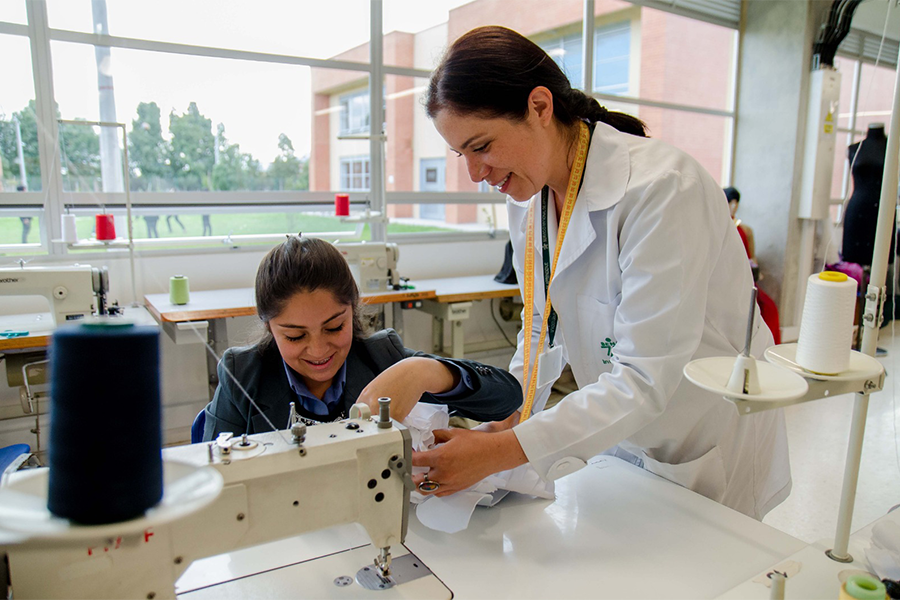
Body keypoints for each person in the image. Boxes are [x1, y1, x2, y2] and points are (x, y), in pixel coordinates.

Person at [416, 25, 790, 520]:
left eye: (481, 146)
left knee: (710, 560)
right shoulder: (528, 198)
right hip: (619, 431)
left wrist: (504, 452)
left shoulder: (662, 190)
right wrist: (508, 419)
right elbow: (540, 324)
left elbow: (644, 377)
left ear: (540, 106)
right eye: (460, 154)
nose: (475, 174)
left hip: (700, 432)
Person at [201, 235, 521, 440]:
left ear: (352, 311)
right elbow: (212, 476)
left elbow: (506, 397)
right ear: (269, 327)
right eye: (295, 336)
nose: (318, 350)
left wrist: (424, 371)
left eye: (334, 328)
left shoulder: (381, 358)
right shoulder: (243, 376)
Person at [724, 187, 781, 344]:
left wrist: (754, 269)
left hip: (746, 278)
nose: (733, 207)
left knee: (768, 308)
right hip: (729, 277)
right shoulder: (722, 228)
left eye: (736, 203)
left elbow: (752, 257)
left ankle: (768, 347)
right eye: (730, 203)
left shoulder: (746, 230)